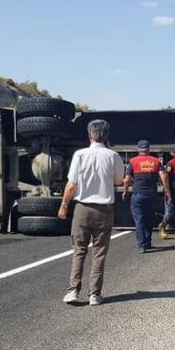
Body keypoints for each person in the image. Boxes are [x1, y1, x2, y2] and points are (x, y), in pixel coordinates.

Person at [59, 119, 124, 306]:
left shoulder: (79, 155)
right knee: (99, 252)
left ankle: (73, 291)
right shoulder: (114, 156)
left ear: (89, 135)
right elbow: (118, 181)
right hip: (104, 210)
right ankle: (94, 294)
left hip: (82, 208)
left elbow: (72, 184)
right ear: (107, 136)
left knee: (79, 250)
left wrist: (64, 205)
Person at [123, 140, 170, 253]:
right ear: (148, 149)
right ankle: (148, 242)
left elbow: (127, 179)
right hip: (151, 195)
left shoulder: (133, 161)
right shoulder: (155, 161)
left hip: (138, 195)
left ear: (139, 150)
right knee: (149, 218)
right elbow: (164, 176)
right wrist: (167, 191)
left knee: (139, 220)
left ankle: (142, 245)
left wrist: (125, 191)